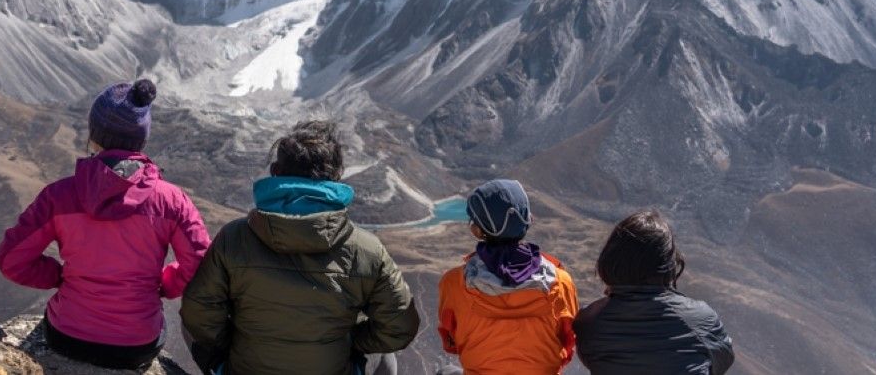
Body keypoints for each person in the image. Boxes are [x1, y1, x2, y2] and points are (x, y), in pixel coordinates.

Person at [0, 79, 210, 371]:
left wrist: (59, 276)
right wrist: (163, 285)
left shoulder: (58, 196)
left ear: (93, 137)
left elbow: (11, 260)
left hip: (66, 337)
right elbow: (199, 263)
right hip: (137, 345)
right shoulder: (172, 201)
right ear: (142, 140)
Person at [180, 120, 419, 375]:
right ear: (336, 178)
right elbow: (400, 326)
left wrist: (234, 342)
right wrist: (351, 341)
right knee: (386, 357)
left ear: (275, 172)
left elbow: (198, 312)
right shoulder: (366, 249)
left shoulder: (235, 236)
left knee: (189, 319)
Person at [437, 180, 579, 375]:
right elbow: (568, 340)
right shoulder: (561, 282)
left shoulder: (453, 283)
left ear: (476, 231)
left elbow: (451, 341)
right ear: (529, 220)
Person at [574, 210, 734, 374]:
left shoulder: (589, 322)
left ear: (611, 259)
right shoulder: (701, 319)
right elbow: (723, 359)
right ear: (669, 264)